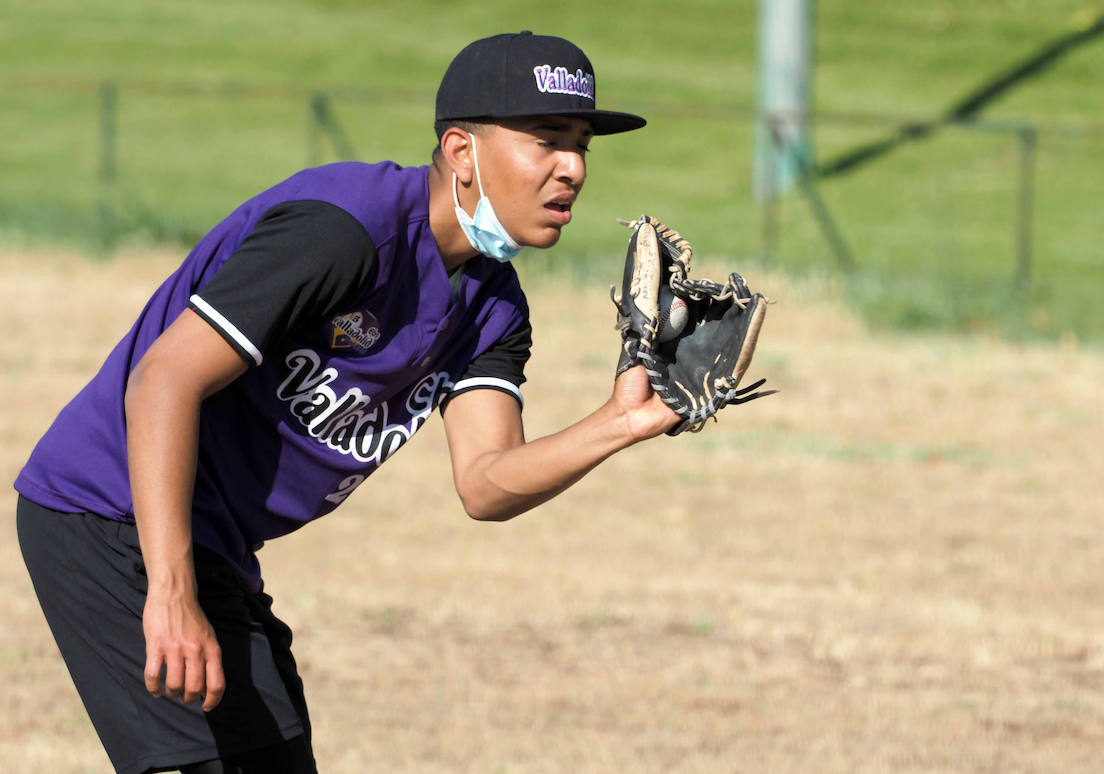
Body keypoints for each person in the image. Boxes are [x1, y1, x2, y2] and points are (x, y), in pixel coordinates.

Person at [14, 31, 677, 774]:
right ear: (461, 151)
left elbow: (486, 481)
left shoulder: (493, 304)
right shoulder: (344, 230)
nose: (574, 169)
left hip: (211, 543)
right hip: (108, 514)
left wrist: (623, 420)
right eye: (546, 140)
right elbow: (163, 380)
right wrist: (171, 594)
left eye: (583, 143)